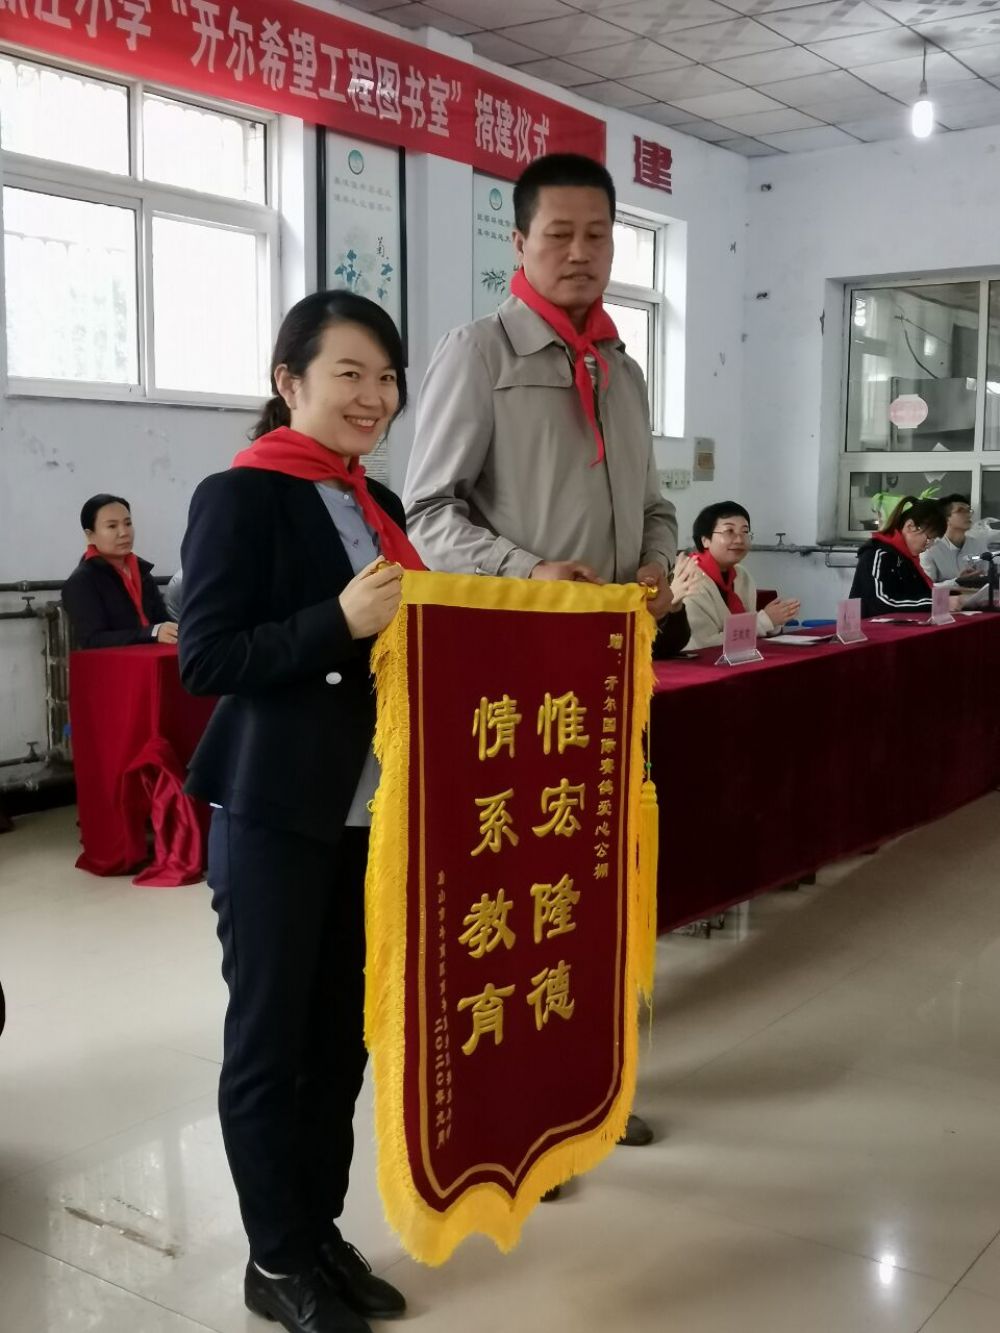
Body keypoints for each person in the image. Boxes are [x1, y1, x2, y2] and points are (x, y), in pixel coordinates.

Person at [403, 152, 677, 1150]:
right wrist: (532, 572)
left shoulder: (623, 369)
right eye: (557, 234)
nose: (579, 252)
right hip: (515, 687)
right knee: (517, 902)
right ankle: (516, 1113)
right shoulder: (479, 353)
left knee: (602, 883)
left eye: (597, 235)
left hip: (612, 681)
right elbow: (428, 514)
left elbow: (656, 504)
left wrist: (658, 562)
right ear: (517, 243)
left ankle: (594, 1086)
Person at [179, 292, 418, 1333]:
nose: (373, 396)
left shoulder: (378, 501)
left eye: (386, 377)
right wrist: (335, 620)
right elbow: (206, 657)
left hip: (370, 813)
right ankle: (273, 1259)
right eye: (349, 373)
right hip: (274, 809)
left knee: (339, 1040)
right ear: (289, 381)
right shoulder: (241, 495)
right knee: (270, 1044)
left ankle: (316, 1232)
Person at [62, 495, 177, 649]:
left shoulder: (142, 572)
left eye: (128, 523)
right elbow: (92, 639)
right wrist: (152, 633)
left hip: (152, 657)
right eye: (112, 526)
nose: (123, 533)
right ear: (90, 536)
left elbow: (162, 620)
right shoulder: (81, 582)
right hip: (115, 663)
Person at [683, 502, 800, 650]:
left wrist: (774, 621)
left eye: (745, 532)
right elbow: (702, 644)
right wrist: (764, 621)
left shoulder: (741, 575)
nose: (739, 539)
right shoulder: (688, 579)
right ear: (705, 540)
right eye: (729, 531)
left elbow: (747, 631)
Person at [850, 495, 957, 617]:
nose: (929, 545)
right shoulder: (877, 554)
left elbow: (921, 596)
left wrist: (955, 595)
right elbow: (882, 602)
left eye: (933, 541)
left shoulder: (907, 559)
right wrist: (942, 602)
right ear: (910, 526)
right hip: (870, 627)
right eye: (928, 538)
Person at [920, 494, 987, 584]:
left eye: (969, 510)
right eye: (961, 511)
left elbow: (988, 576)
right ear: (946, 518)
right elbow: (927, 587)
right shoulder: (930, 549)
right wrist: (957, 582)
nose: (968, 515)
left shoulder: (977, 545)